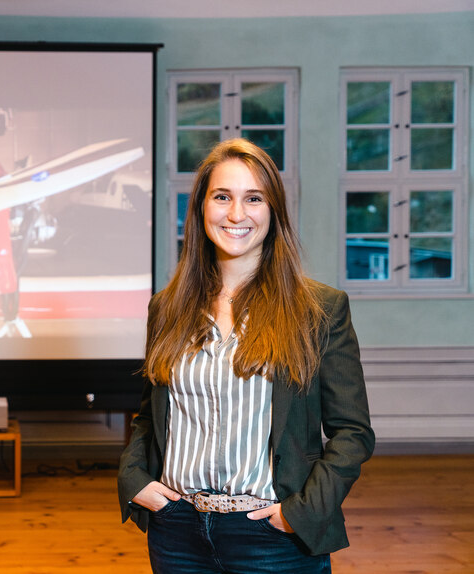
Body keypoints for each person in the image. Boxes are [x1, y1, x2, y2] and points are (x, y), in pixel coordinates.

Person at [118, 138, 375, 573]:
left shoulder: (319, 310)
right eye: (222, 197)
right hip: (177, 530)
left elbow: (353, 432)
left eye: (253, 198)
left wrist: (302, 512)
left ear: (273, 212)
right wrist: (132, 479)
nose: (236, 214)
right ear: (201, 208)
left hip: (273, 535)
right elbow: (151, 415)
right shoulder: (167, 308)